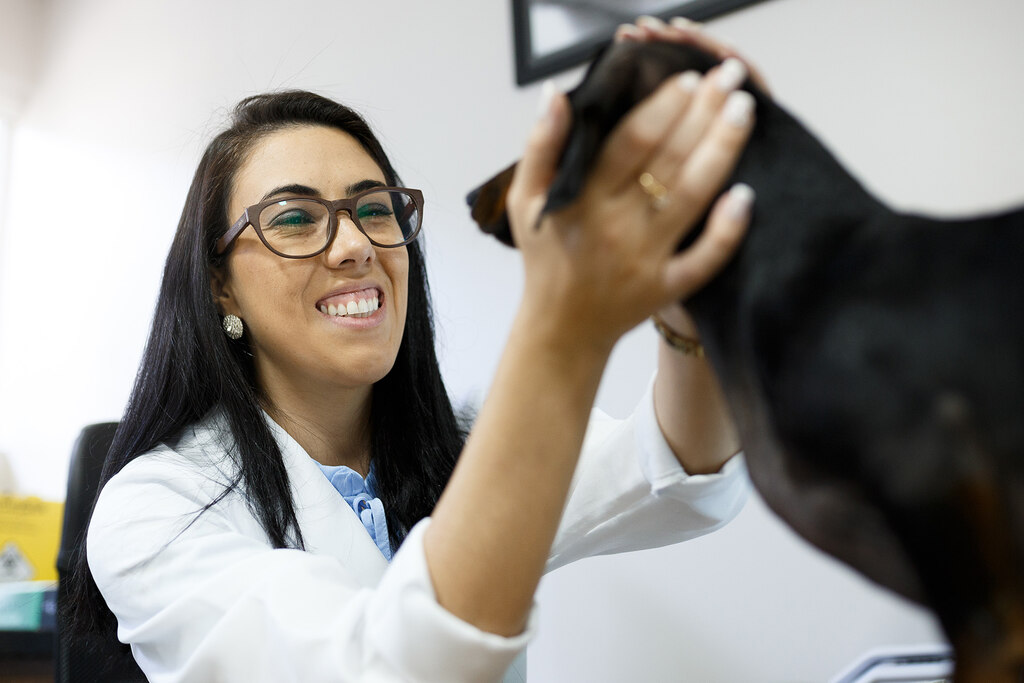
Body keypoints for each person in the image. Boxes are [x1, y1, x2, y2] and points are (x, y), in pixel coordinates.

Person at [79, 17, 761, 682]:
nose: (355, 246)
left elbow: (675, 474)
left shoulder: (455, 452)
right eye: (294, 218)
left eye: (375, 209)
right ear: (220, 285)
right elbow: (376, 666)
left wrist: (689, 284)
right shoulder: (153, 508)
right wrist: (562, 321)